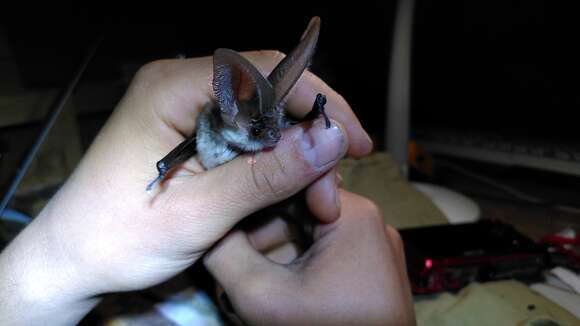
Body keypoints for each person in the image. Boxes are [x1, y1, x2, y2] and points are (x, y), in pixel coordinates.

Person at [0, 51, 415, 325]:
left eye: (274, 125)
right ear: (231, 117)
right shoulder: (216, 126)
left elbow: (272, 125)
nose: (271, 137)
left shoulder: (265, 124)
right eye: (260, 128)